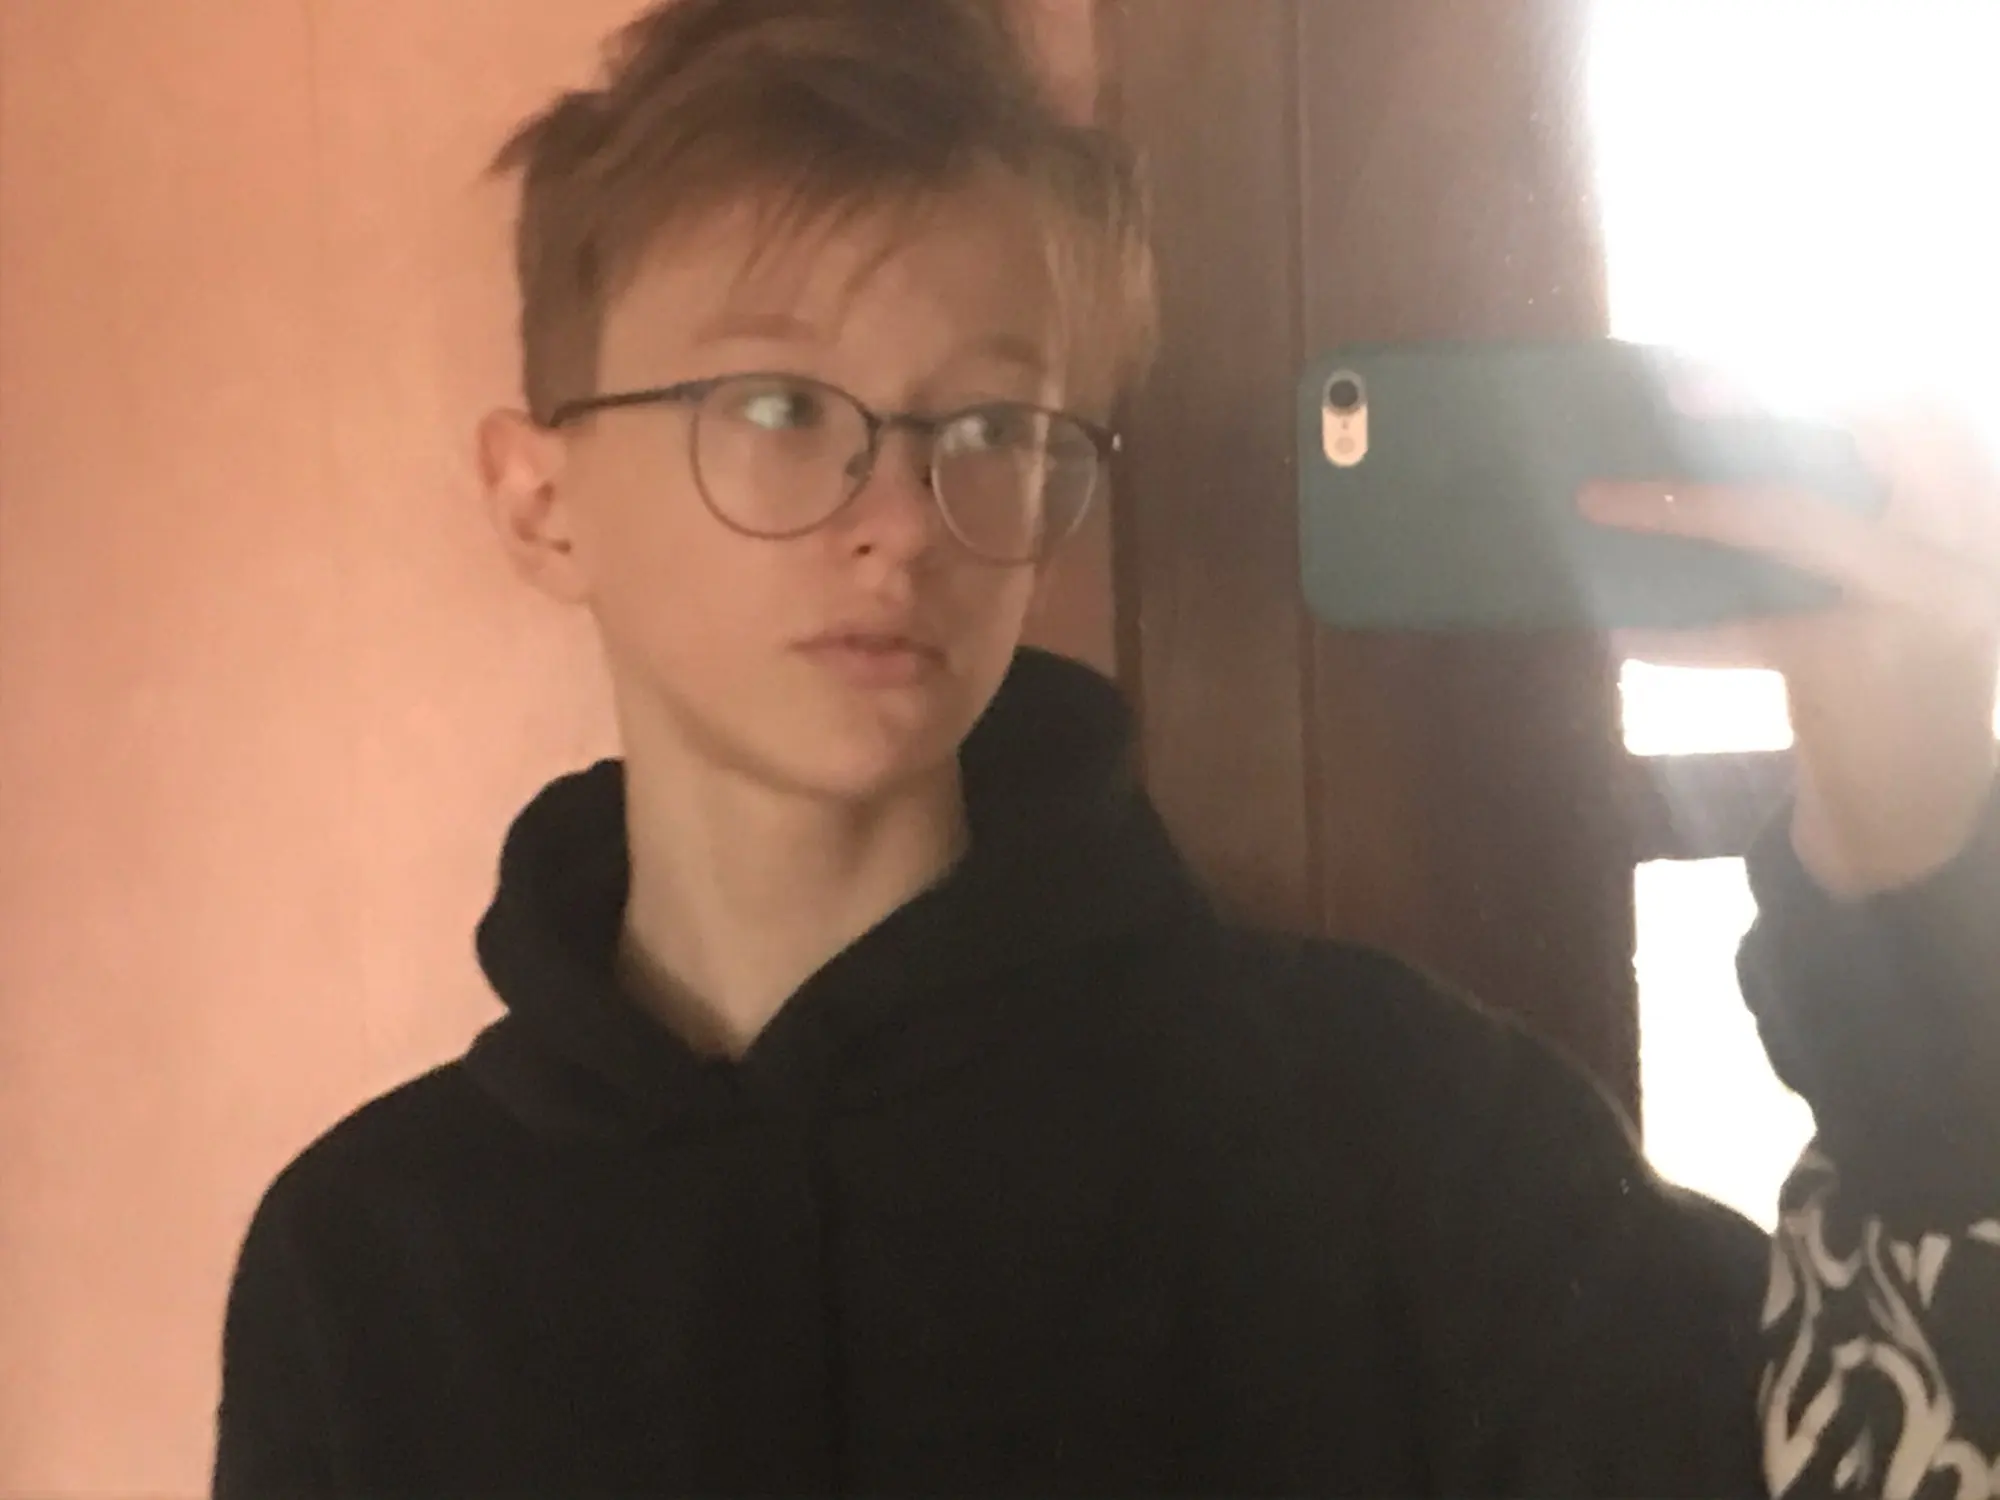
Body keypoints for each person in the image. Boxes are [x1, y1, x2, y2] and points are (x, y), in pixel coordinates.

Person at [212, 0, 2000, 1494]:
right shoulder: (370, 1262)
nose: (900, 514)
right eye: (776, 405)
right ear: (541, 503)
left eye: (991, 422)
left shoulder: (1397, 1136)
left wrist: (1919, 865)